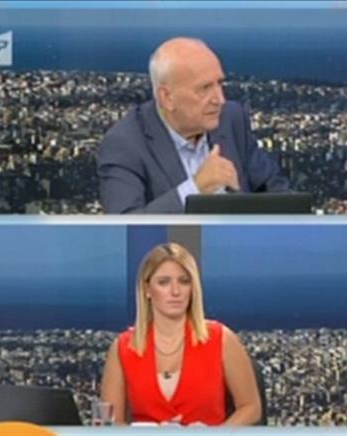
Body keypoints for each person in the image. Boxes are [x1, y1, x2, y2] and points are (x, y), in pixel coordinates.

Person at [97, 37, 289, 214]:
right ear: (167, 97)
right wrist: (195, 188)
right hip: (179, 241)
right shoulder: (124, 144)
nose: (219, 100)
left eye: (219, 84)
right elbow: (125, 228)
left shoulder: (231, 118)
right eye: (205, 88)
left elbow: (275, 190)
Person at [100, 243, 262, 425]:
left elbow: (251, 407)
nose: (175, 291)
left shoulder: (221, 339)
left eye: (184, 281)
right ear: (147, 289)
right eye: (164, 282)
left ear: (192, 288)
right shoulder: (123, 348)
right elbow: (109, 422)